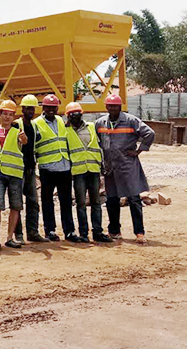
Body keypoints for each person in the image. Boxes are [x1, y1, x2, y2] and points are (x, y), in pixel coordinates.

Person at [95, 94, 155, 244]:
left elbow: (149, 133)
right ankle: (114, 231)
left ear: (120, 107)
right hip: (110, 168)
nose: (113, 109)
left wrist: (139, 151)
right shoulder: (100, 123)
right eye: (110, 106)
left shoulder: (131, 121)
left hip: (127, 166)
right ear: (106, 107)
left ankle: (139, 233)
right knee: (112, 199)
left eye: (115, 106)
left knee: (134, 198)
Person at [33, 94, 81, 243]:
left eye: (54, 108)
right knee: (47, 202)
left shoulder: (61, 121)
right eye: (48, 107)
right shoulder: (36, 123)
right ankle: (50, 230)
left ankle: (69, 231)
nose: (51, 110)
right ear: (43, 108)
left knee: (66, 201)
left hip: (64, 167)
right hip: (47, 168)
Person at [65, 102, 113, 243]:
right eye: (72, 114)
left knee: (96, 203)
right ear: (68, 116)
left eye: (77, 113)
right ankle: (84, 233)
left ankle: (97, 232)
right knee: (81, 204)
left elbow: (100, 146)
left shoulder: (92, 127)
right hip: (78, 171)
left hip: (93, 170)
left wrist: (102, 165)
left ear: (82, 114)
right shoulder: (65, 131)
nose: (75, 116)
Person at [0, 100, 28, 251]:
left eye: (10, 115)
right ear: (0, 115)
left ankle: (9, 238)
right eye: (5, 114)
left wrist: (24, 139)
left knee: (15, 206)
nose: (7, 117)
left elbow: (25, 142)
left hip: (15, 174)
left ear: (14, 117)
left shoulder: (18, 133)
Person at [13, 95, 48, 243]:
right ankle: (19, 235)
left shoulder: (34, 125)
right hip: (18, 169)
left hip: (30, 168)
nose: (30, 111)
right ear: (22, 109)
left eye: (32, 108)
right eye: (27, 108)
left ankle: (32, 232)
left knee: (33, 201)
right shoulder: (16, 125)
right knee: (17, 203)